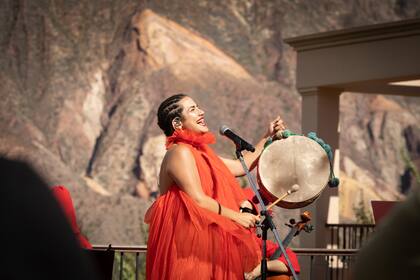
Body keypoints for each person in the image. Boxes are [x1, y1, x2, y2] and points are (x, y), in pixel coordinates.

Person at [145, 93, 288, 279]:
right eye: (193, 109)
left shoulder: (199, 152)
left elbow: (239, 167)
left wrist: (267, 137)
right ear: (177, 124)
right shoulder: (179, 152)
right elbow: (198, 199)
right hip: (187, 249)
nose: (201, 112)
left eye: (198, 107)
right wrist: (237, 217)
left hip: (205, 244)